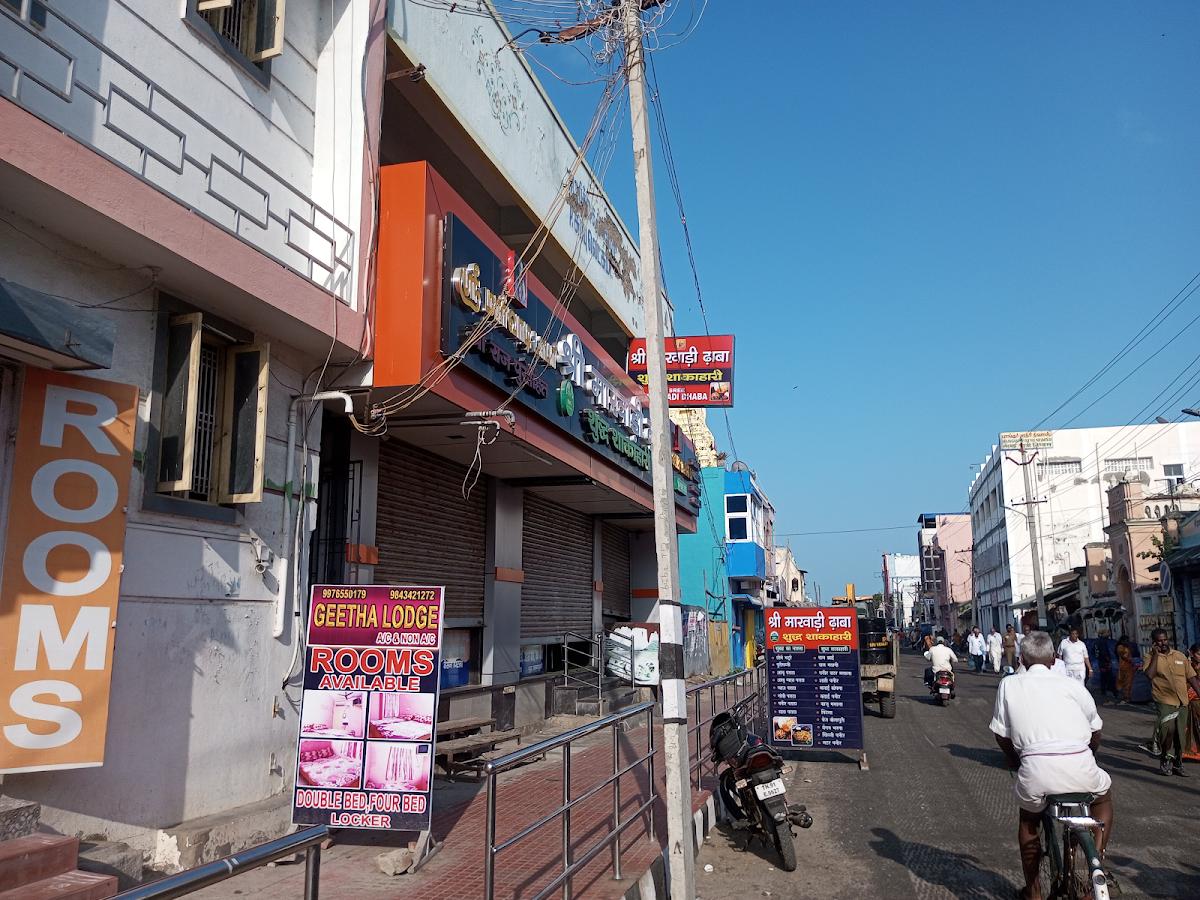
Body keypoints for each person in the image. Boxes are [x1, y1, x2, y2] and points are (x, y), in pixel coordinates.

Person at [990, 631, 1113, 900]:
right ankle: (1096, 859)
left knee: (1029, 821)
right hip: (1081, 764)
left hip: (1036, 769)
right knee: (1102, 798)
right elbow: (1096, 730)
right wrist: (1090, 755)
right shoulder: (1072, 685)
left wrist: (1014, 760)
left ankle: (1033, 892)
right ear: (1054, 659)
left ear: (1021, 658)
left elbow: (1001, 735)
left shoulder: (1009, 684)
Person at [1144, 628, 1191, 776]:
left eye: (1164, 639)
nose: (1163, 643)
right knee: (1167, 731)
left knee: (1180, 734)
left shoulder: (1180, 656)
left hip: (1182, 701)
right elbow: (1150, 675)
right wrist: (1156, 656)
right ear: (1154, 642)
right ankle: (1165, 759)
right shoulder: (1149, 657)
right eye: (1159, 640)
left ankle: (1178, 763)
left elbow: (1192, 677)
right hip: (1164, 700)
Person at [1185, 643, 1200, 762]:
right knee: (1190, 727)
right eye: (1198, 654)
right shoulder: (1187, 666)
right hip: (1191, 700)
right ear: (1191, 653)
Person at [1095, 631, 1117, 701]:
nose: (1108, 635)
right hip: (1104, 662)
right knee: (1108, 676)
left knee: (1104, 677)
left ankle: (1105, 690)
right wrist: (1108, 661)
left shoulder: (1098, 642)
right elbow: (1104, 652)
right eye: (1107, 633)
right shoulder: (1102, 642)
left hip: (1101, 662)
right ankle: (1112, 691)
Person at [1115, 638, 1135, 705]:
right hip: (1124, 667)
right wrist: (1130, 660)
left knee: (1128, 683)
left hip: (1128, 667)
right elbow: (1124, 656)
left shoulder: (1125, 647)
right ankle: (1125, 698)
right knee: (1124, 683)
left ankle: (1127, 697)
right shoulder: (1121, 647)